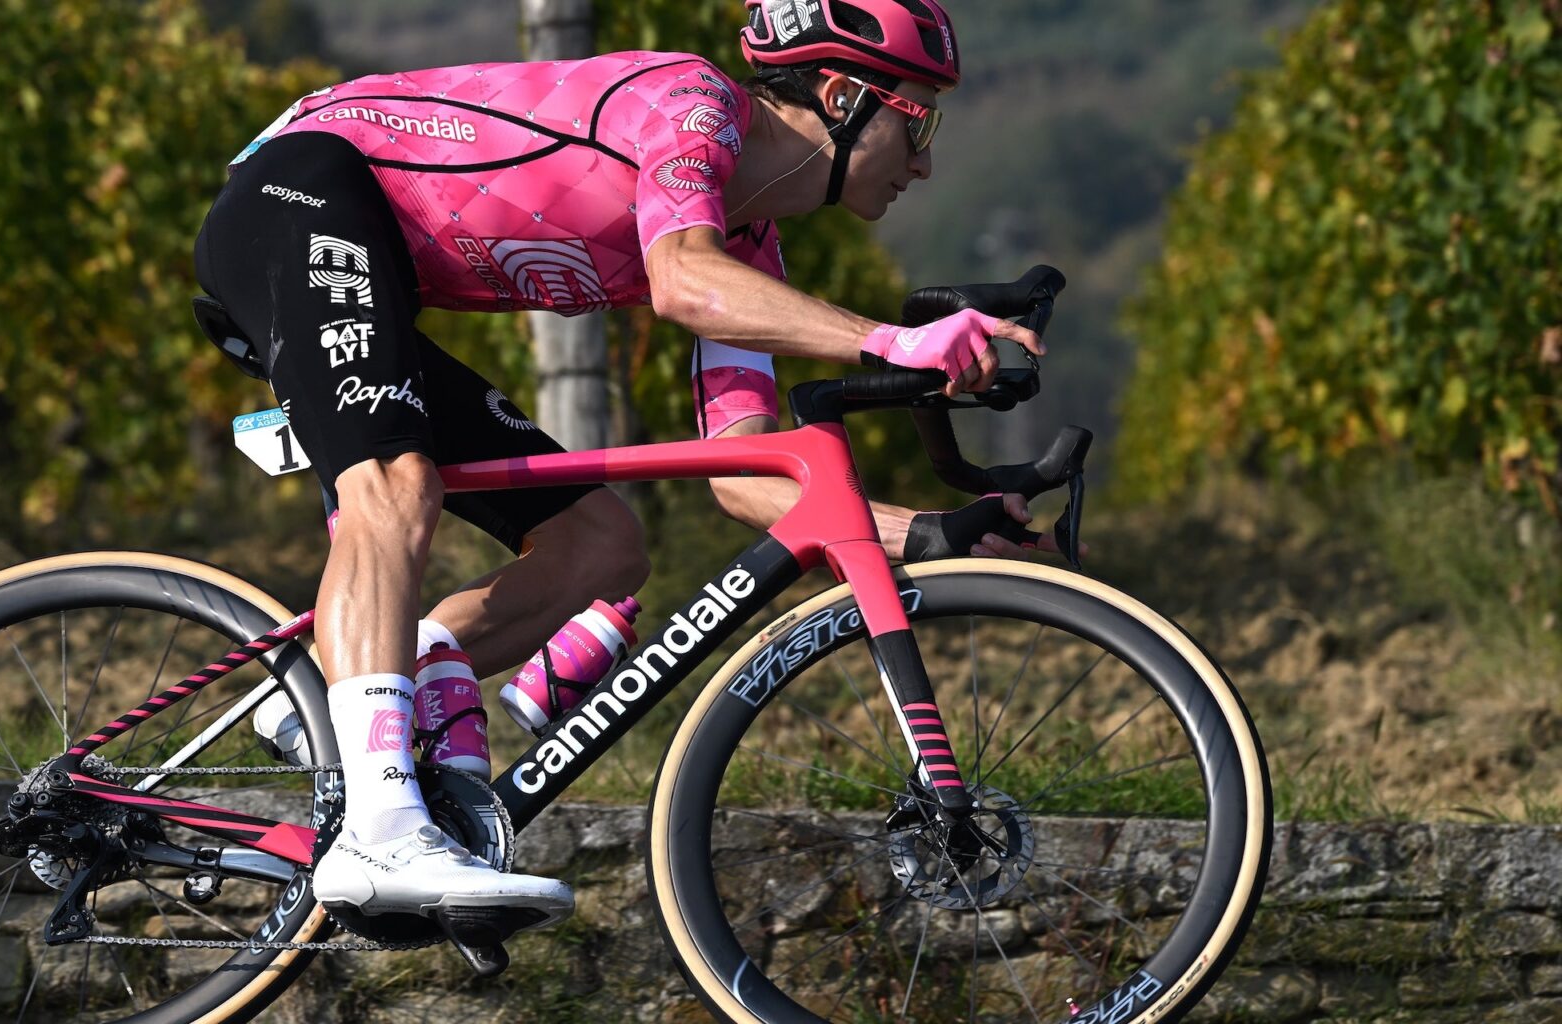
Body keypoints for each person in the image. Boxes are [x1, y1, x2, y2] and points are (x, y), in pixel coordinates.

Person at [192, 0, 1064, 931]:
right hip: (307, 189)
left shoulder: (747, 241)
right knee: (396, 483)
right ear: (846, 95)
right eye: (919, 121)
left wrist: (935, 534)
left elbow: (744, 470)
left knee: (601, 543)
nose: (926, 161)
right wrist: (895, 342)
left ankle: (341, 702)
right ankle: (380, 828)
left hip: (377, 267)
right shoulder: (694, 107)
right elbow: (683, 284)